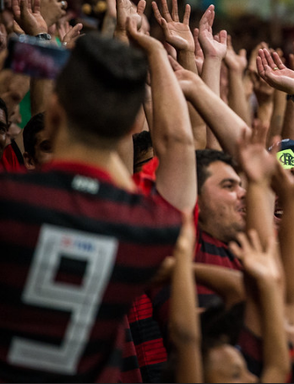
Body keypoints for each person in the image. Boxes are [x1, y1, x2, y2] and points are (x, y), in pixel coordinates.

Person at [0, 33, 194, 382]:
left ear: (54, 113)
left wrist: (34, 45)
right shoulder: (151, 227)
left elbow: (9, 93)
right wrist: (154, 52)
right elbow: (179, 143)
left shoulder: (10, 198)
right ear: (134, 127)